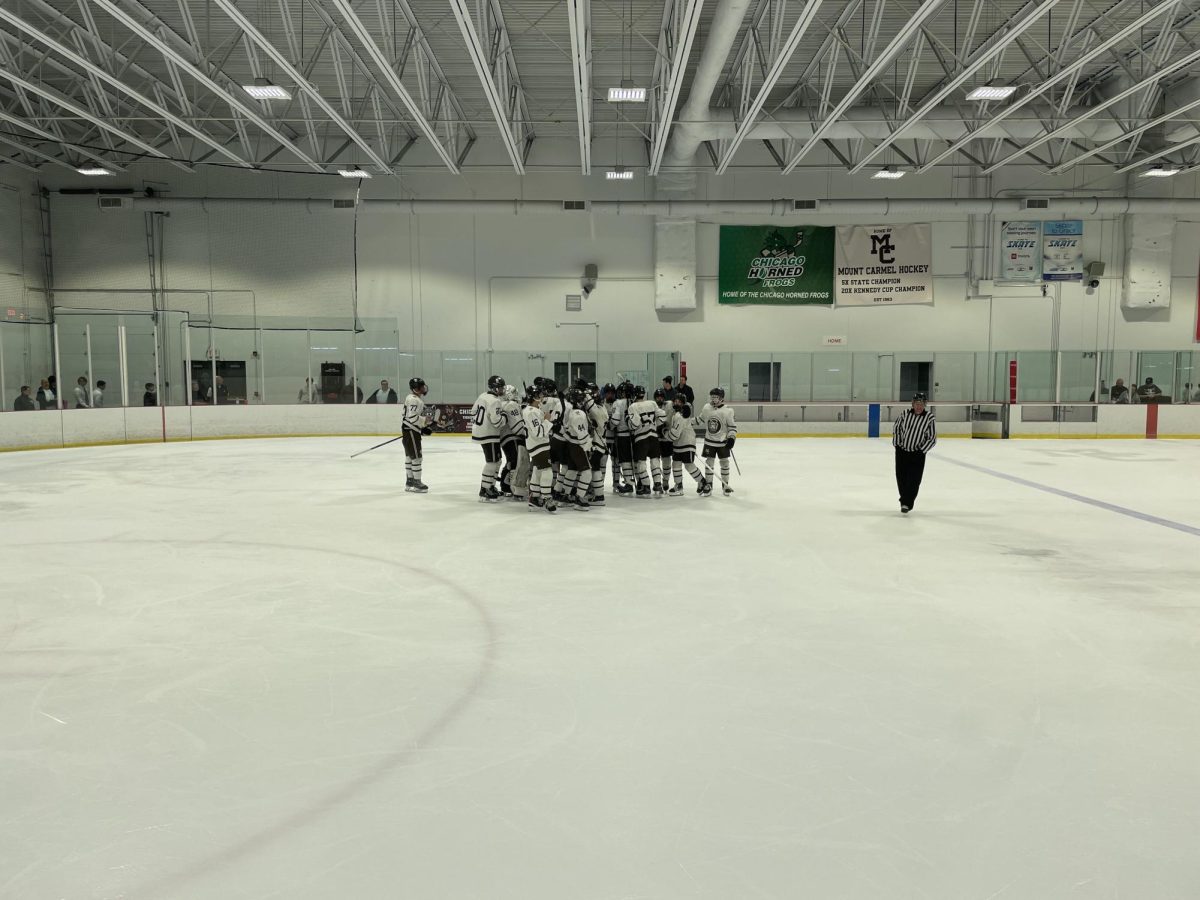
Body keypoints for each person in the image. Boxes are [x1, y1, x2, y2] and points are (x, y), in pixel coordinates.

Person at [893, 392, 937, 514]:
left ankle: (907, 502)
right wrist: (897, 445)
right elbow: (897, 428)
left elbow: (932, 438)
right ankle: (904, 501)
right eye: (917, 404)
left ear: (925, 405)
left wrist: (922, 451)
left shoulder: (929, 418)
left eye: (921, 404)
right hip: (902, 452)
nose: (919, 406)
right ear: (912, 404)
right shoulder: (905, 414)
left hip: (917, 454)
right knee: (901, 478)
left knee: (914, 480)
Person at [470, 375, 507, 502]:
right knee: (492, 461)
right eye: (501, 387)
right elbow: (497, 422)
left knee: (498, 460)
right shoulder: (495, 401)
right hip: (489, 434)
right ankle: (485, 489)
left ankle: (490, 486)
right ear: (495, 389)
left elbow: (473, 412)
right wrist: (505, 417)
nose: (503, 390)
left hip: (483, 432)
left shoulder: (482, 396)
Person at [696, 387, 737, 496]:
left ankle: (725, 484)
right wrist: (686, 422)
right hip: (709, 442)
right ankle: (709, 484)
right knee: (709, 463)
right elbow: (700, 419)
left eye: (716, 397)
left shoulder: (728, 411)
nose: (713, 399)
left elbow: (732, 427)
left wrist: (732, 438)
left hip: (722, 442)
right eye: (712, 397)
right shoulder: (707, 408)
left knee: (724, 463)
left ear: (721, 398)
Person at [521, 385, 555, 513]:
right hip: (538, 445)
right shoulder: (531, 412)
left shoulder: (533, 410)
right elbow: (539, 432)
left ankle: (534, 498)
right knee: (547, 470)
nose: (541, 397)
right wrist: (547, 420)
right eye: (539, 395)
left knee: (538, 470)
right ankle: (546, 498)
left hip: (537, 445)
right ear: (534, 396)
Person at [560, 388, 593, 510]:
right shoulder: (578, 414)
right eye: (580, 399)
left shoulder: (570, 411)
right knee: (587, 472)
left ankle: (565, 496)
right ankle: (579, 498)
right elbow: (581, 433)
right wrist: (588, 446)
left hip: (571, 444)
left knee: (572, 470)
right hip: (578, 445)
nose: (583, 401)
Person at [667, 396, 705, 495]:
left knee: (689, 465)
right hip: (679, 444)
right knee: (676, 464)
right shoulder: (678, 414)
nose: (676, 403)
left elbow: (675, 435)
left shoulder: (679, 415)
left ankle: (702, 482)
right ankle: (679, 486)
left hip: (687, 443)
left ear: (683, 404)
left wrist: (664, 433)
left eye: (679, 402)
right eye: (675, 401)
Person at [402, 376, 432, 493]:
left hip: (408, 429)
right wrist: (424, 421)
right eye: (422, 386)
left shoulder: (410, 397)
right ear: (417, 389)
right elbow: (413, 417)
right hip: (411, 431)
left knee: (409, 456)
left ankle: (409, 481)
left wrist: (422, 426)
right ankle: (417, 482)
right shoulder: (415, 400)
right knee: (417, 457)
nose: (424, 388)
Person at [497, 384, 524, 498]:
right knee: (515, 461)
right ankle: (514, 488)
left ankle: (505, 486)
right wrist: (526, 434)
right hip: (511, 436)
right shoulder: (511, 405)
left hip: (504, 437)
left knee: (510, 461)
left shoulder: (502, 404)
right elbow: (518, 427)